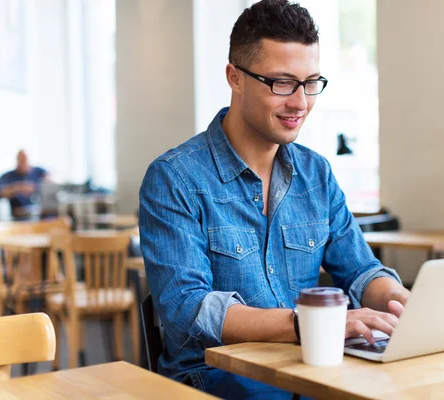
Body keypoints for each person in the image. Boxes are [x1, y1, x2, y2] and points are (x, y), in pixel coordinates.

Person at [139, 1, 410, 398]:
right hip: (216, 380)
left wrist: (400, 301)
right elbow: (188, 310)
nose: (300, 103)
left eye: (311, 82)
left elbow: (361, 271)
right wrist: (310, 325)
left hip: (310, 370)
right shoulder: (174, 178)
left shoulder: (316, 175)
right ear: (235, 77)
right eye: (282, 83)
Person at [0, 150, 49, 219]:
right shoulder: (8, 176)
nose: (23, 163)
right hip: (18, 216)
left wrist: (36, 187)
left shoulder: (39, 171)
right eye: (20, 160)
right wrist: (19, 188)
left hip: (40, 213)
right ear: (17, 161)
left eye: (25, 160)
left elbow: (50, 184)